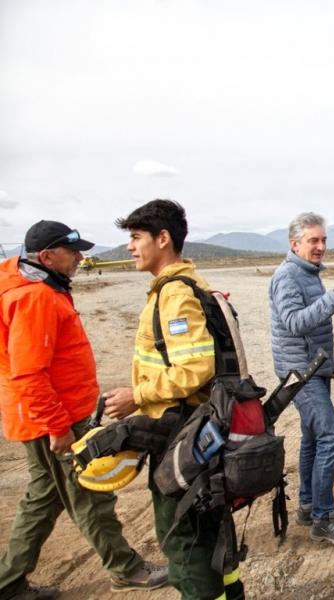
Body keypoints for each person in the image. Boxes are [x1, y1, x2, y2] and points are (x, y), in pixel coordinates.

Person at [0, 220, 167, 600]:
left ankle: (7, 583)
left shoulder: (41, 287)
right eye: (72, 251)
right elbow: (29, 374)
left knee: (43, 499)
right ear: (46, 257)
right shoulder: (34, 298)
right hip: (52, 418)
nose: (80, 258)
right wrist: (59, 427)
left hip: (49, 414)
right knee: (90, 494)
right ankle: (126, 570)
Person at [102, 200, 243, 600]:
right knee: (211, 539)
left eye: (135, 237)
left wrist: (137, 396)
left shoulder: (175, 295)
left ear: (163, 239)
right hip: (193, 434)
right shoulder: (181, 288)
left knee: (185, 543)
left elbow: (195, 368)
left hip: (182, 440)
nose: (130, 247)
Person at [269, 212, 334, 546]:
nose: (320, 246)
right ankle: (324, 518)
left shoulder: (308, 273)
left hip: (314, 370)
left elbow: (309, 317)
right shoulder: (287, 277)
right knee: (332, 439)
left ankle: (308, 504)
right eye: (313, 240)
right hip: (300, 374)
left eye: (323, 240)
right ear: (295, 244)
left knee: (312, 438)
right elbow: (295, 322)